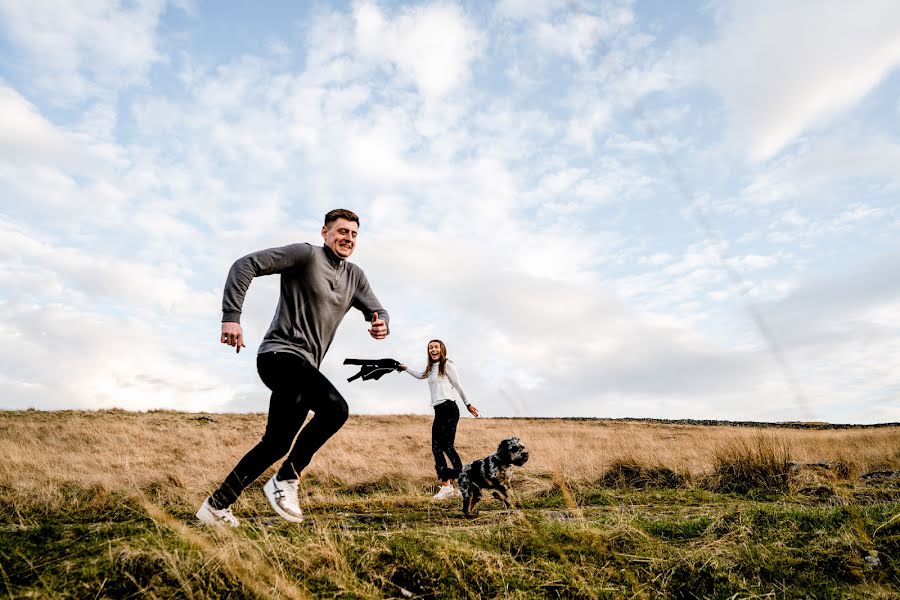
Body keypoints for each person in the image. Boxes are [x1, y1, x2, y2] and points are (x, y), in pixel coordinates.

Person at [196, 209, 390, 527]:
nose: (348, 238)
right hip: (280, 356)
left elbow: (377, 308)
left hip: (304, 368)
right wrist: (231, 316)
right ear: (325, 232)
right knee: (335, 410)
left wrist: (379, 322)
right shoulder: (305, 255)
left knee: (276, 443)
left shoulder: (355, 276)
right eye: (342, 231)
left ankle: (216, 506)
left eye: (354, 234)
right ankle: (286, 479)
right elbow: (245, 265)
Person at [399, 340, 479, 500]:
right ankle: (447, 487)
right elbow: (421, 375)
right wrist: (405, 368)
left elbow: (458, 385)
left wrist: (468, 404)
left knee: (446, 446)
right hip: (439, 410)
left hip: (449, 409)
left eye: (436, 347)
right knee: (436, 447)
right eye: (430, 347)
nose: (433, 349)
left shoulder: (447, 364)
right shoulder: (431, 368)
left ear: (442, 349)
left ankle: (463, 481)